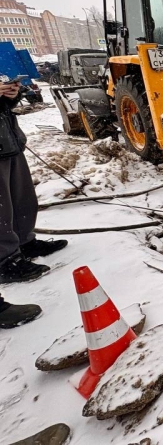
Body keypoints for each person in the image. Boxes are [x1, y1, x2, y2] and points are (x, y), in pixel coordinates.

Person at [0, 78, 68, 329]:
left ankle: (24, 243)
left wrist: (9, 97)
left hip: (7, 142)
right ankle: (5, 262)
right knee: (1, 211)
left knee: (21, 200)